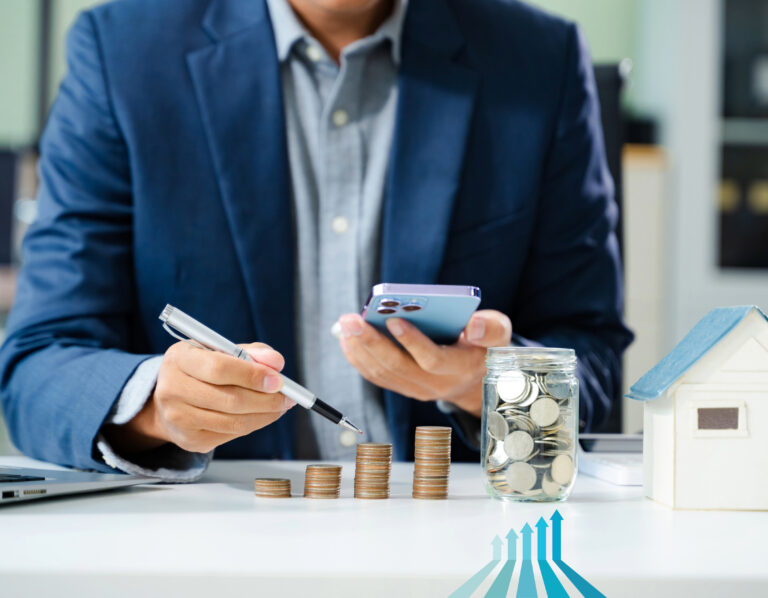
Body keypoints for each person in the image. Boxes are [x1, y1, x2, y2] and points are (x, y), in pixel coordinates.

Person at [0, 0, 632, 481]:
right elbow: (37, 367)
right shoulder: (122, 52)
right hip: (213, 540)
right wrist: (156, 407)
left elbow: (594, 358)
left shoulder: (538, 60)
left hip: (458, 538)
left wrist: (485, 386)